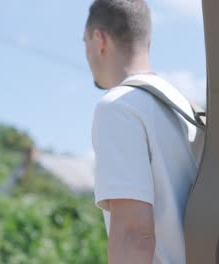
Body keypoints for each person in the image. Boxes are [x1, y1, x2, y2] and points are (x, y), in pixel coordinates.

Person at [84, 0, 199, 263]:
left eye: (84, 41)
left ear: (99, 39)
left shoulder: (118, 108)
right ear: (147, 42)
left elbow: (133, 235)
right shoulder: (188, 109)